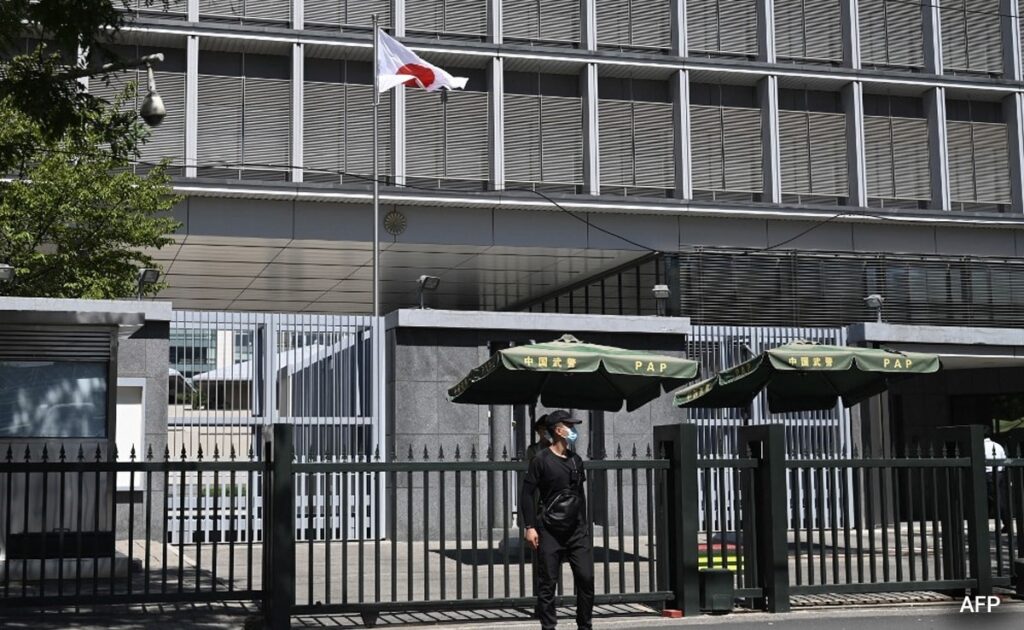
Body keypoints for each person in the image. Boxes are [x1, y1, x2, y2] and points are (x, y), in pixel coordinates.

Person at [519, 410, 594, 630]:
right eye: (569, 426)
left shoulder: (576, 461)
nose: (573, 430)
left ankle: (584, 625)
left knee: (586, 580)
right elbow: (526, 494)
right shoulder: (540, 460)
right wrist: (529, 527)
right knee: (547, 585)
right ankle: (549, 627)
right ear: (558, 430)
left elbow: (580, 496)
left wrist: (584, 526)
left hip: (576, 532)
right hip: (549, 530)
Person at [984, 434, 1012, 534]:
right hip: (1000, 473)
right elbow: (1004, 459)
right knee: (1001, 499)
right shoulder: (998, 445)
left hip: (988, 474)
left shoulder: (981, 446)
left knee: (992, 500)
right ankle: (1007, 523)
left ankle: (987, 525)